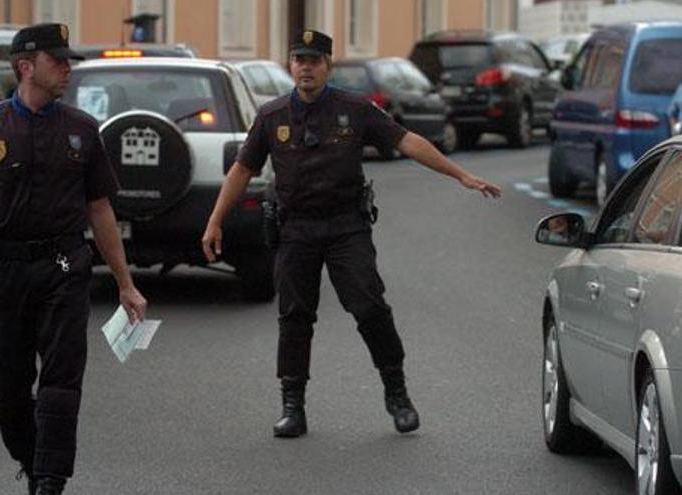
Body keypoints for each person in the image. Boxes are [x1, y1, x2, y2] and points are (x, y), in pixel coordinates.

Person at [201, 29, 501, 439]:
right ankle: (293, 406)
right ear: (291, 65)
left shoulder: (355, 108)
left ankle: (397, 394)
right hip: (296, 229)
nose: (306, 67)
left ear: (328, 65)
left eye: (314, 60)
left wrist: (462, 174)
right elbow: (242, 169)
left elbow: (407, 141)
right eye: (299, 60)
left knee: (369, 308)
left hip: (346, 227)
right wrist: (216, 219)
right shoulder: (272, 117)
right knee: (294, 317)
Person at [0, 23, 147, 495]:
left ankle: (50, 482)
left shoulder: (81, 129)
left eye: (67, 60)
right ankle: (33, 461)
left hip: (64, 267)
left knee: (60, 382)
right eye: (59, 61)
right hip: (6, 270)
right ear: (25, 66)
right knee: (8, 390)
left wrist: (125, 282)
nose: (67, 68)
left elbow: (100, 209)